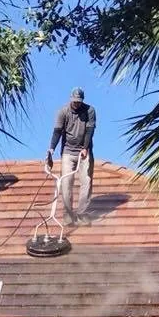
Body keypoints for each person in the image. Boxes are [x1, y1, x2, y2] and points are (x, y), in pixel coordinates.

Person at [46, 87, 96, 225]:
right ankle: (68, 214)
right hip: (68, 151)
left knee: (86, 181)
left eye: (79, 101)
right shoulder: (63, 112)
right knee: (66, 182)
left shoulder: (90, 111)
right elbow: (57, 131)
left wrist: (85, 148)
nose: (76, 103)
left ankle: (82, 214)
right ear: (71, 99)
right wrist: (51, 148)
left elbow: (90, 130)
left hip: (84, 151)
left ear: (82, 100)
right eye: (75, 101)